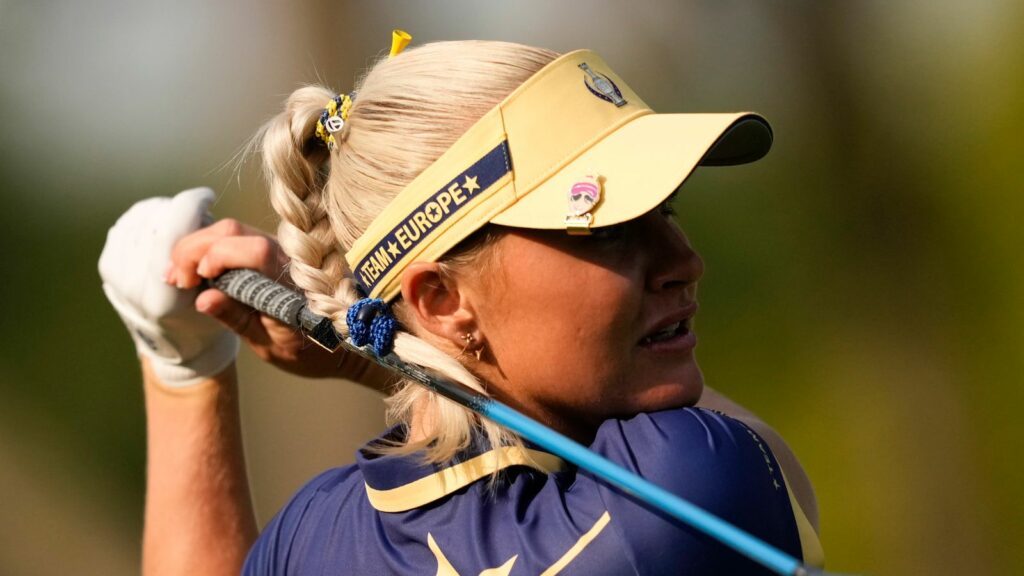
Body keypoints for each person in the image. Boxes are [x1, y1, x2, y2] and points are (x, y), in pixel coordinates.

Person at [100, 35, 824, 575]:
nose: (683, 262)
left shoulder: (314, 538)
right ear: (441, 299)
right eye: (605, 227)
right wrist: (372, 354)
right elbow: (770, 470)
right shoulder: (687, 484)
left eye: (666, 209)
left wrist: (184, 372)